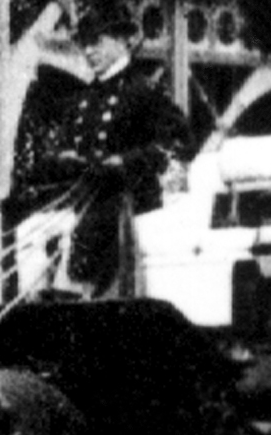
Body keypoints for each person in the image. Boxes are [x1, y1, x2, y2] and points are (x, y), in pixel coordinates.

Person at [53, 22, 193, 297]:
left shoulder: (145, 91)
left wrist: (128, 161)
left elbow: (181, 143)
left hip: (133, 213)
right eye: (85, 44)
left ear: (121, 41)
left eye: (97, 41)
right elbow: (64, 147)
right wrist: (64, 157)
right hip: (86, 213)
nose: (89, 51)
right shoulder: (83, 98)